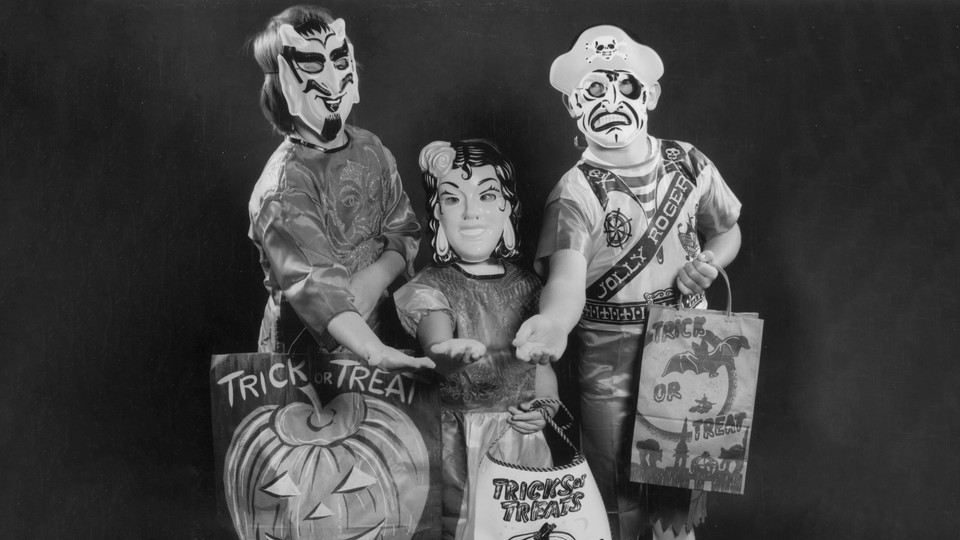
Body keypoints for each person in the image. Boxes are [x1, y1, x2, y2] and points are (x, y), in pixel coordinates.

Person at [513, 25, 743, 540]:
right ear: (574, 105)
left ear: (652, 95)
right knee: (614, 482)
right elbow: (567, 279)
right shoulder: (573, 193)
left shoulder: (690, 162)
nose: (611, 101)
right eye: (593, 91)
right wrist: (552, 323)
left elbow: (727, 230)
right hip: (608, 353)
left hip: (689, 339)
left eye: (626, 87)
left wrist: (710, 260)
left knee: (678, 485)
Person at [247, 5, 431, 370]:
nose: (332, 78)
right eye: (313, 64)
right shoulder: (283, 187)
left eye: (338, 59)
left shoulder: (371, 148)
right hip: (306, 350)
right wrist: (374, 350)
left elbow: (404, 229)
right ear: (282, 80)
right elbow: (312, 281)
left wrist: (375, 278)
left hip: (379, 325)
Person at [394, 139, 558, 540]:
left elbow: (544, 368)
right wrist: (447, 353)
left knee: (521, 528)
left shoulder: (531, 286)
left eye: (486, 195)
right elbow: (436, 350)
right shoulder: (433, 285)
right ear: (438, 213)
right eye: (453, 199)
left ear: (506, 208)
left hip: (520, 437)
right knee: (458, 525)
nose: (470, 212)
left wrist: (548, 407)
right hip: (455, 440)